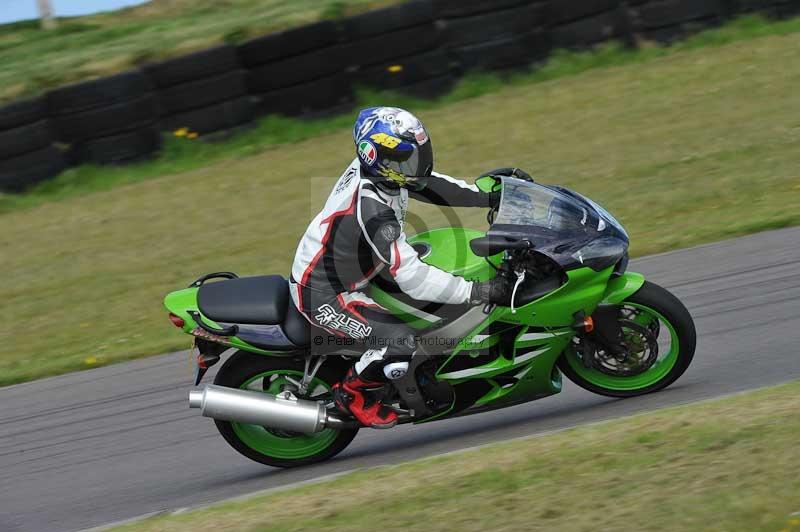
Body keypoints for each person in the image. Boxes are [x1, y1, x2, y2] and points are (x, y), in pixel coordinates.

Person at [289, 107, 513, 429]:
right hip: (324, 292)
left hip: (359, 268)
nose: (417, 165)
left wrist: (487, 197)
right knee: (399, 340)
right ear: (377, 158)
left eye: (418, 154)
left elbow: (431, 184)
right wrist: (477, 291)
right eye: (407, 159)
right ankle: (350, 394)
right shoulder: (373, 209)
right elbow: (411, 277)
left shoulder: (384, 174)